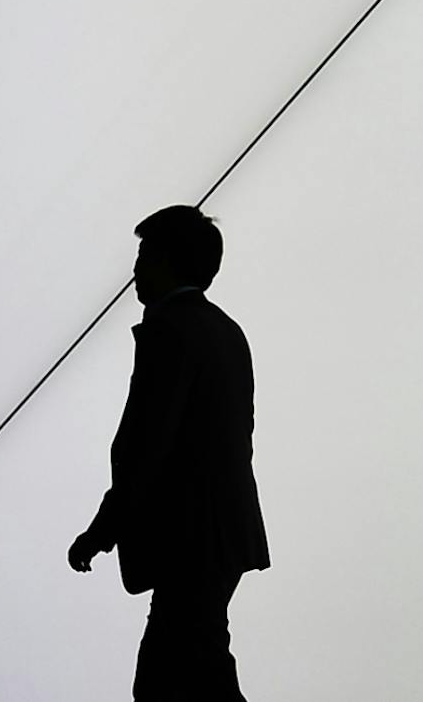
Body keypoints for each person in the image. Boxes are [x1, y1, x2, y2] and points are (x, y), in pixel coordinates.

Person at [69, 205, 269, 701]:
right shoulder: (226, 330)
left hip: (191, 537)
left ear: (167, 261)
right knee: (198, 669)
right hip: (223, 533)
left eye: (144, 256)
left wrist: (101, 531)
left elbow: (147, 444)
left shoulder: (169, 332)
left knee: (166, 679)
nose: (135, 269)